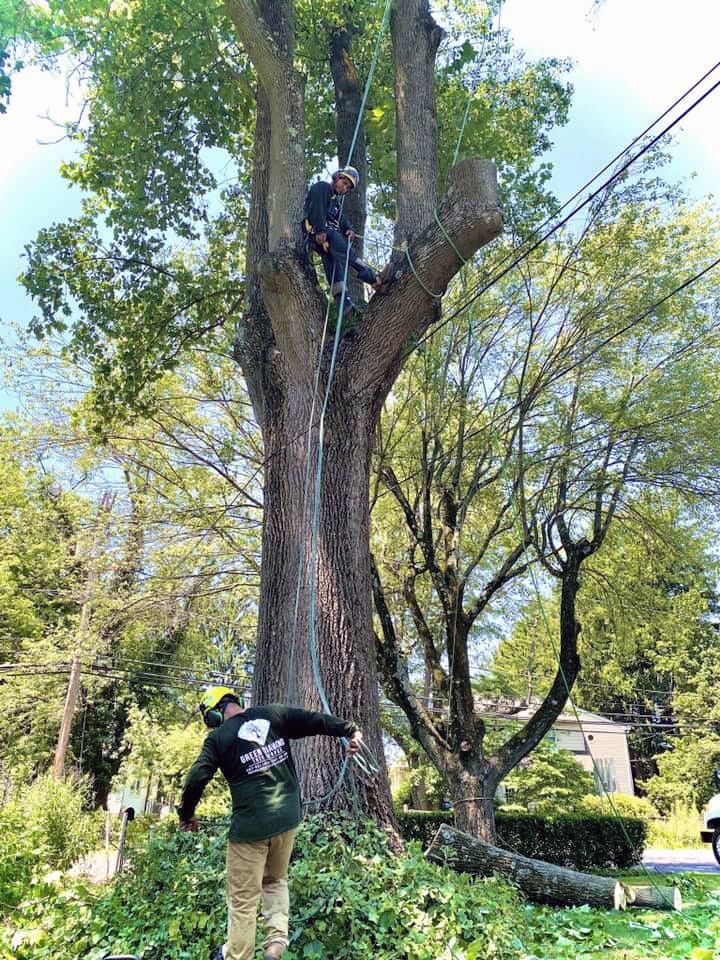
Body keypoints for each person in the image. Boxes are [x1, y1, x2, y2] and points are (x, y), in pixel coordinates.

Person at [176, 686, 363, 960]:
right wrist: (349, 730)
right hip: (287, 820)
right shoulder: (272, 715)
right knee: (275, 881)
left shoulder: (218, 738)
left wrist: (186, 814)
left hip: (249, 831)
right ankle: (275, 945)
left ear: (214, 714)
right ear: (236, 701)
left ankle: (239, 956)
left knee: (243, 902)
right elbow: (314, 720)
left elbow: (196, 778)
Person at [302, 166, 386, 317]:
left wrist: (348, 228)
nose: (344, 188)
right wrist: (320, 230)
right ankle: (374, 279)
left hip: (325, 239)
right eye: (345, 182)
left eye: (348, 187)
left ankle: (345, 306)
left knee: (335, 269)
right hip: (320, 234)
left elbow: (341, 219)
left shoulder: (336, 204)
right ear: (338, 177)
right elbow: (317, 209)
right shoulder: (322, 188)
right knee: (348, 254)